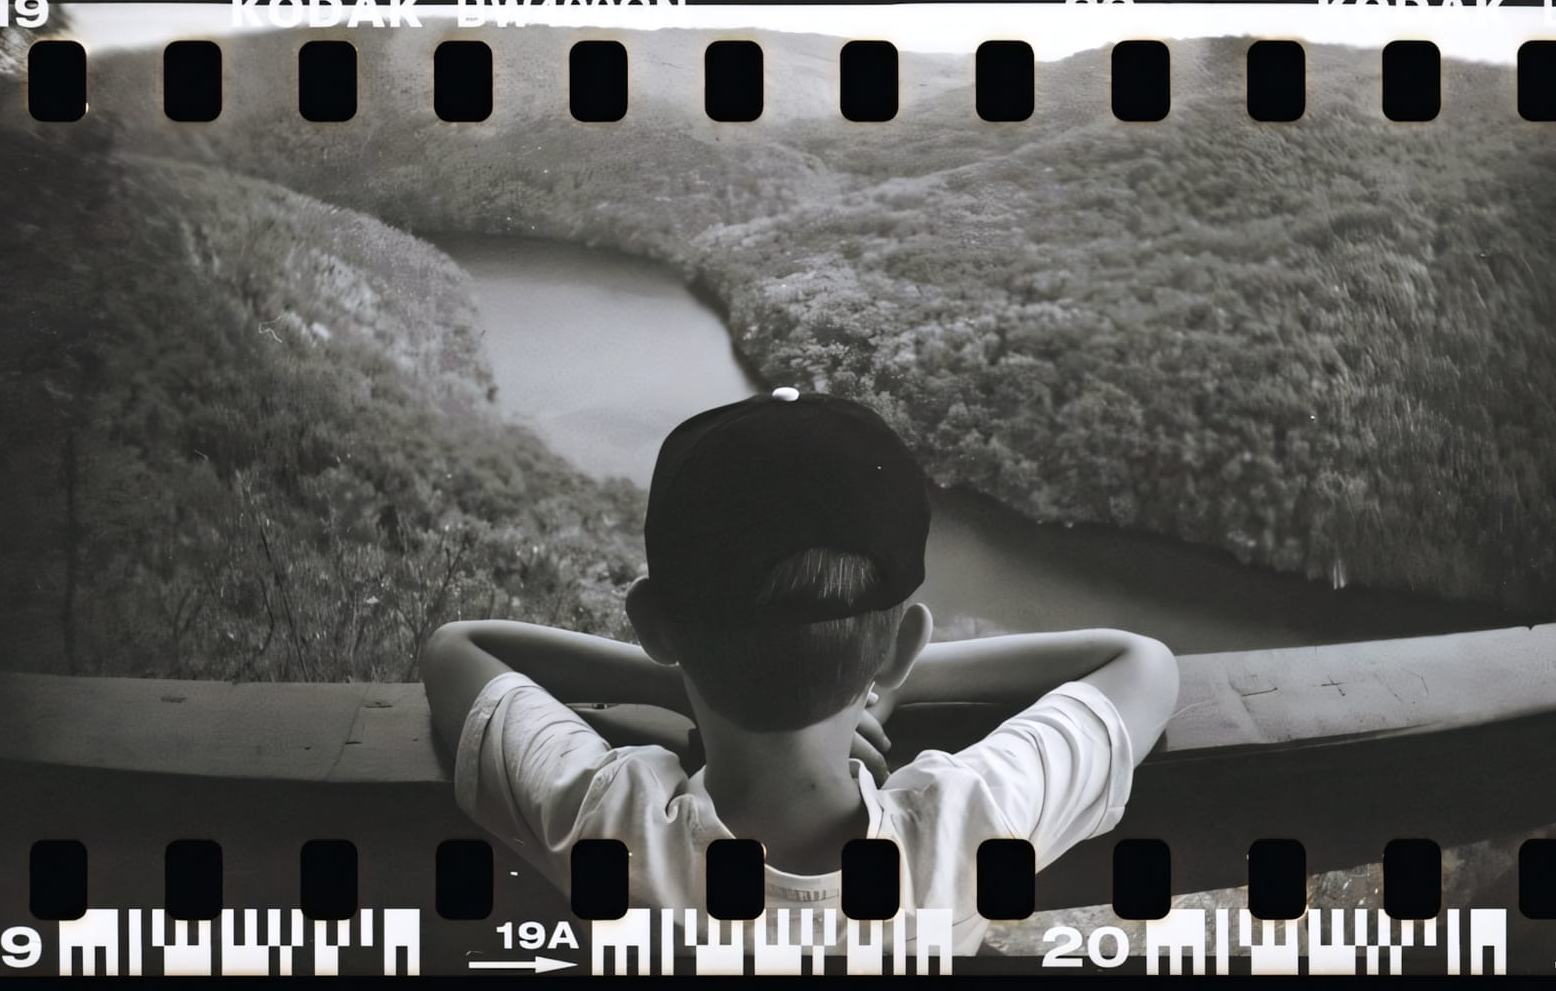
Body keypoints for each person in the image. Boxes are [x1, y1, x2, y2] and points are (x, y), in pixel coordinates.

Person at [421, 388, 1179, 955]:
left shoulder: (608, 825)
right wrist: (880, 682)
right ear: (904, 643)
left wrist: (677, 676)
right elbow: (1139, 662)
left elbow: (458, 648)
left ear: (655, 624)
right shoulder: (968, 827)